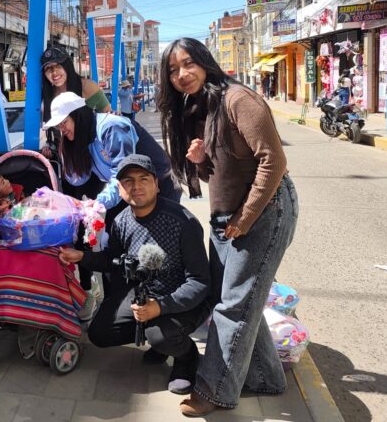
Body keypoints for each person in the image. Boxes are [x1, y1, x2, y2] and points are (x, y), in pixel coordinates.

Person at [158, 38, 298, 417]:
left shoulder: (238, 99)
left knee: (233, 306)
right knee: (239, 300)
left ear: (205, 62)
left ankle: (214, 389)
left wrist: (245, 218)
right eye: (173, 69)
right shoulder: (200, 107)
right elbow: (220, 173)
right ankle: (266, 378)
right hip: (227, 218)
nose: (182, 74)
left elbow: (274, 161)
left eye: (188, 63)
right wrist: (201, 161)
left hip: (264, 211)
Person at [59, 155, 210, 395]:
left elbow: (200, 282)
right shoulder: (121, 221)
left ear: (156, 184)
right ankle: (160, 340)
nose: (136, 186)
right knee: (99, 333)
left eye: (143, 179)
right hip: (144, 293)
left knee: (159, 335)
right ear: (119, 189)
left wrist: (160, 307)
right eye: (128, 181)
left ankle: (186, 356)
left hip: (184, 299)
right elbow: (112, 260)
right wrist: (81, 257)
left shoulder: (184, 222)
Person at [44, 92, 181, 321]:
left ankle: (167, 307)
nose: (62, 129)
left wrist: (98, 203)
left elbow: (123, 173)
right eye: (58, 127)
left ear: (78, 115)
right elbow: (77, 179)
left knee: (159, 250)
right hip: (129, 193)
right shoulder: (83, 139)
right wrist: (66, 151)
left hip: (158, 187)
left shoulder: (111, 128)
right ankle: (122, 306)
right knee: (119, 249)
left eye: (64, 123)